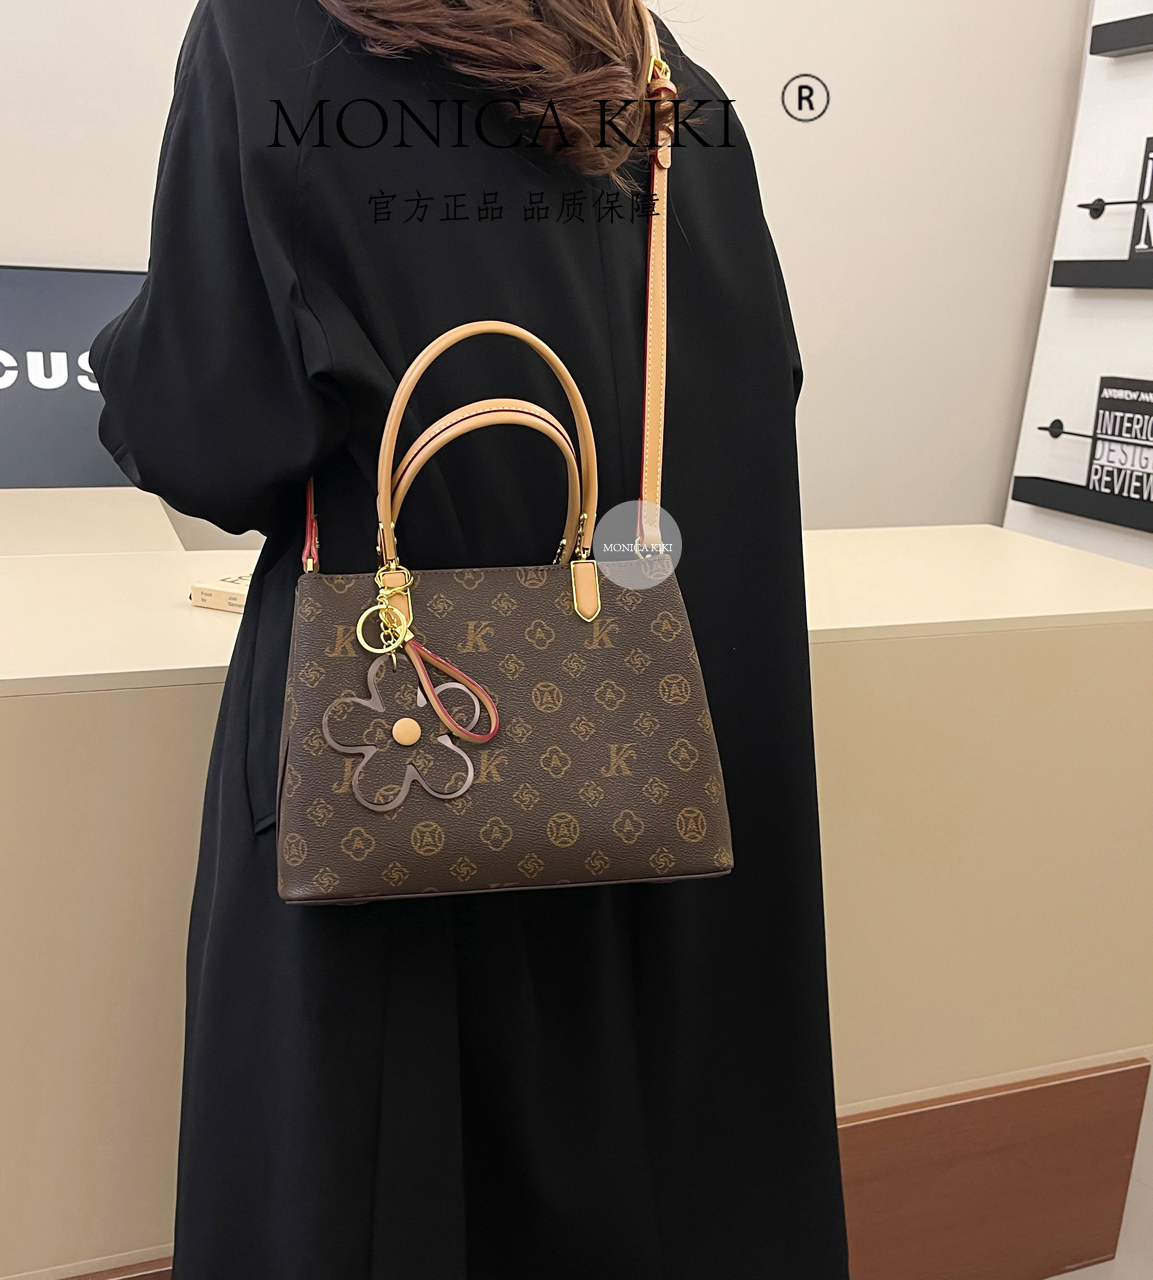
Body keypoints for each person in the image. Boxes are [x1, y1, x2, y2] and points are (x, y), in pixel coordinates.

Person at [91, 1, 849, 1275]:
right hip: (657, 743)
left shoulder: (275, 32)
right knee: (660, 1171)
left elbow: (208, 424)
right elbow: (746, 394)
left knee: (381, 1176)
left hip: (405, 739)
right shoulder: (668, 80)